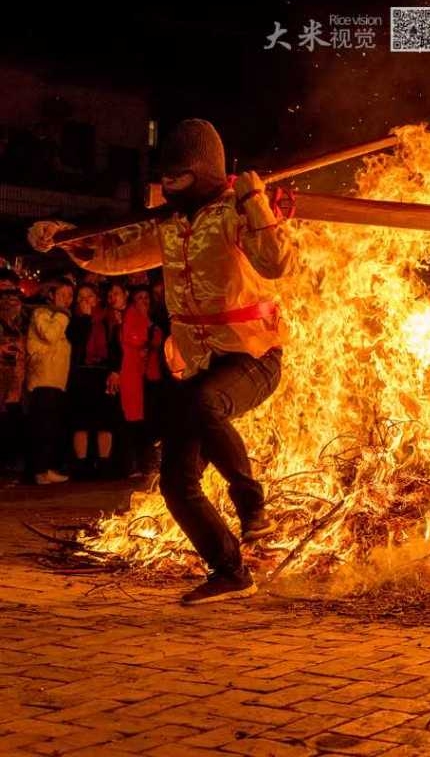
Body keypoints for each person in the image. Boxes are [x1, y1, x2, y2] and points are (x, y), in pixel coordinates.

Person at [29, 118, 295, 604]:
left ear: (206, 172)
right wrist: (64, 237)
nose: (168, 184)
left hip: (253, 356)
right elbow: (113, 255)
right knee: (176, 481)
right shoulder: (170, 227)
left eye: (179, 176)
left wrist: (256, 201)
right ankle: (230, 570)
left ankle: (253, 506)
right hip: (198, 369)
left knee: (202, 400)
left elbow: (277, 264)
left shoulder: (238, 212)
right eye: (165, 176)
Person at [66, 283, 120, 478]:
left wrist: (115, 370)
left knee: (105, 420)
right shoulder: (75, 321)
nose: (85, 300)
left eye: (89, 296)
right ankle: (82, 466)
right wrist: (86, 317)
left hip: (103, 373)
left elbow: (116, 345)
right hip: (82, 373)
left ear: (97, 299)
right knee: (81, 420)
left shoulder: (109, 319)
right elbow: (76, 339)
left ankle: (104, 464)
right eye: (81, 297)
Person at [25, 279, 73, 485]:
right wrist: (63, 315)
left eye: (70, 295)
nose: (67, 300)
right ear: (51, 294)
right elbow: (50, 335)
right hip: (43, 378)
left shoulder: (57, 317)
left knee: (51, 426)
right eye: (62, 294)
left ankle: (46, 467)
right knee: (42, 426)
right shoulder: (42, 314)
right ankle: (39, 469)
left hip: (54, 380)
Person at [118, 285, 162, 477]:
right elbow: (134, 338)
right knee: (134, 420)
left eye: (146, 297)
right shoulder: (132, 316)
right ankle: (133, 464)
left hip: (149, 374)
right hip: (134, 373)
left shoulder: (152, 319)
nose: (144, 301)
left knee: (148, 420)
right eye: (140, 297)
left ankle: (147, 463)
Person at [0, 286, 26, 474]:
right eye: (7, 301)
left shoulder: (20, 324)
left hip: (17, 381)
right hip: (3, 380)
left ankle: (10, 462)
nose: (12, 305)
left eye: (15, 301)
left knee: (12, 421)